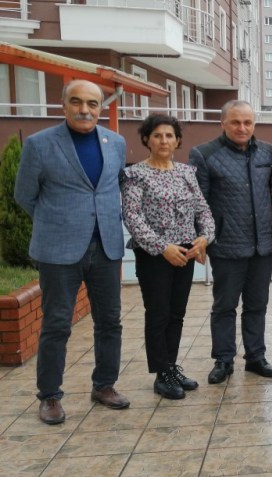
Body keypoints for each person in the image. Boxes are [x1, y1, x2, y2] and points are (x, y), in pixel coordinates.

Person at [14, 79, 131, 424]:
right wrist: (59, 223)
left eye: (92, 104)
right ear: (63, 105)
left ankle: (104, 385)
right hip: (58, 250)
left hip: (106, 247)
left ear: (100, 107)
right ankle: (49, 395)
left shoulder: (116, 142)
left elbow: (113, 187)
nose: (84, 110)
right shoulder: (39, 144)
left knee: (109, 321)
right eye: (77, 102)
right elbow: (25, 195)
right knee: (56, 324)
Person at [122, 114, 214, 400]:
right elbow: (132, 217)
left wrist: (205, 237)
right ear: (146, 139)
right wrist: (163, 247)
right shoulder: (135, 174)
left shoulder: (187, 172)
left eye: (169, 136)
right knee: (158, 313)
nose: (164, 140)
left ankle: (171, 367)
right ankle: (161, 374)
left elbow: (203, 210)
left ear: (177, 141)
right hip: (154, 254)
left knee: (177, 313)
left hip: (185, 252)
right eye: (157, 135)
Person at [190, 100, 272, 384]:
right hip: (226, 244)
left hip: (261, 244)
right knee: (225, 305)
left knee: (257, 305)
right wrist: (202, 239)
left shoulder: (267, 152)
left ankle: (255, 356)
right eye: (236, 122)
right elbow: (199, 203)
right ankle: (223, 359)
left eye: (247, 122)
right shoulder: (204, 154)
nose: (242, 128)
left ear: (254, 124)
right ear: (223, 123)